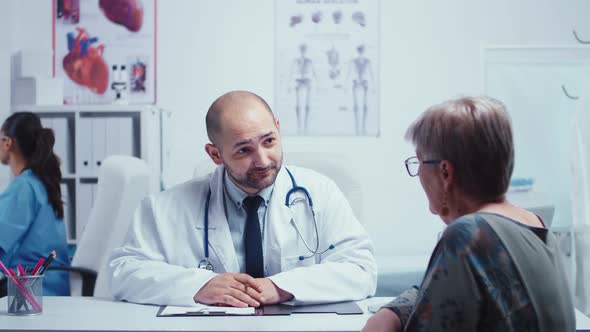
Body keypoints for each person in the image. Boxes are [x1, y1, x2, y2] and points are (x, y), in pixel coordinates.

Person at [109, 90, 377, 307]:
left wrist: (281, 287)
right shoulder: (164, 208)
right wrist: (198, 285)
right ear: (215, 155)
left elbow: (361, 269)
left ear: (278, 130)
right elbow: (124, 272)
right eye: (243, 150)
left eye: (269, 141)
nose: (262, 160)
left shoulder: (321, 193)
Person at [363, 96, 575, 331]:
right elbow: (441, 292)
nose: (417, 174)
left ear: (445, 173)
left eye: (419, 161)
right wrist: (392, 312)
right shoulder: (534, 225)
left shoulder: (468, 235)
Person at [0, 112, 70, 296]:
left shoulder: (24, 187)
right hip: (51, 287)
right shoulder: (41, 183)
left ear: (8, 142)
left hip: (29, 291)